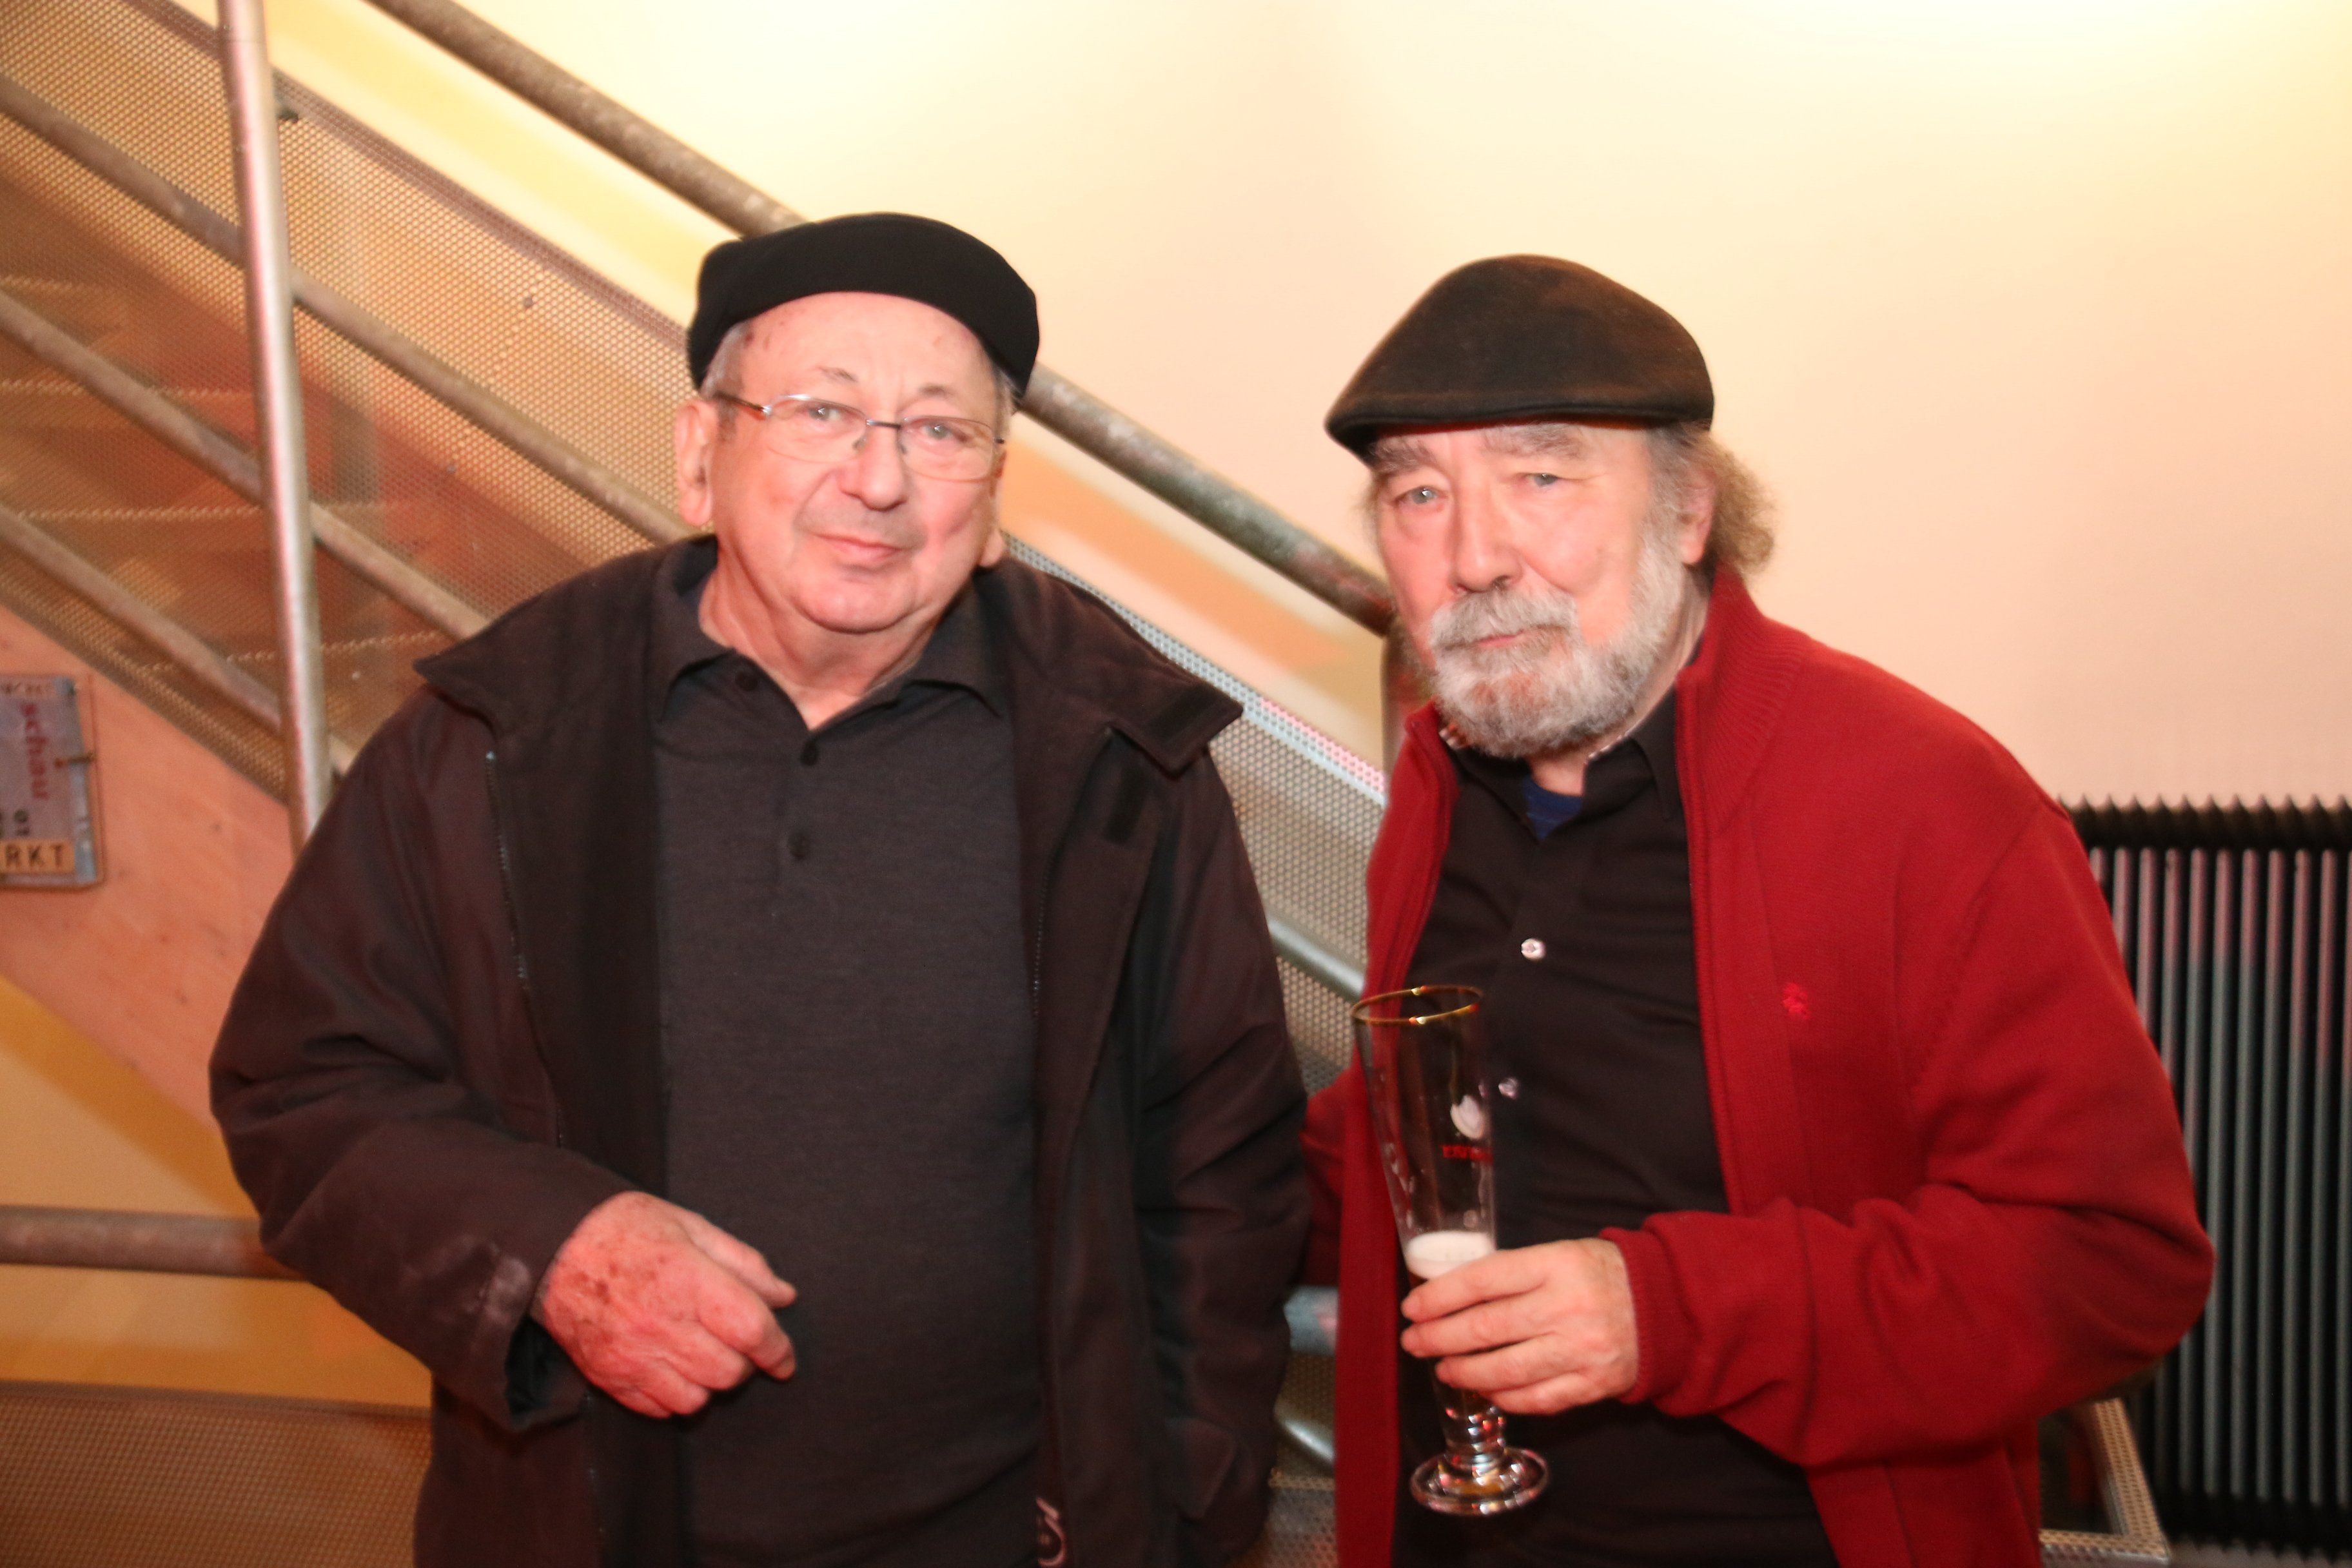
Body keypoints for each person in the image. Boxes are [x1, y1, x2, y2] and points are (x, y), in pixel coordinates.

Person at [212, 212, 1309, 1568]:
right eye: (821, 412)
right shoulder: (496, 736)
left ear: (992, 497)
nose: (879, 479)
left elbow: (1221, 1172)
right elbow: (306, 1089)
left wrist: (1182, 1503)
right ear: (698, 456)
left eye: (940, 431)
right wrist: (547, 1249)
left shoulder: (1121, 759)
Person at [1301, 255, 2211, 1567]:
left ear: (1688, 512)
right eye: (1418, 494)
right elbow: (1456, 1114)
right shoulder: (1441, 786)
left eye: (1541, 478)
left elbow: (2108, 1260)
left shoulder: (1923, 798)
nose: (1475, 556)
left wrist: (1667, 1311)